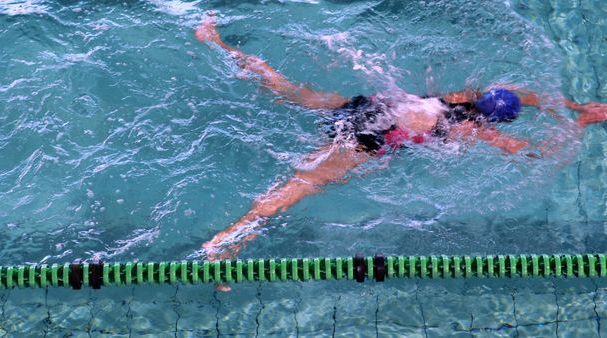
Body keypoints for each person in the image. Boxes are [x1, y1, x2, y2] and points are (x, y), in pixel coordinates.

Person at [194, 14, 607, 270]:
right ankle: (226, 240)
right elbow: (535, 152)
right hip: (369, 138)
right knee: (302, 185)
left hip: (365, 107)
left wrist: (573, 104)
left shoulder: (460, 95)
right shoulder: (474, 128)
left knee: (289, 90)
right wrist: (581, 124)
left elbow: (523, 92)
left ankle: (214, 41)